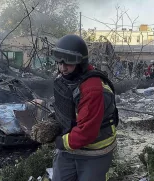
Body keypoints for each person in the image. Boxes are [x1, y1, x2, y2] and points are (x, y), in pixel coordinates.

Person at [49, 34, 119, 181]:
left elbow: (87, 132)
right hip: (71, 146)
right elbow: (65, 106)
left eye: (68, 63)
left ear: (80, 62)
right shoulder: (65, 78)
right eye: (59, 62)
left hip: (95, 150)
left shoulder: (92, 88)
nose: (62, 68)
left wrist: (60, 141)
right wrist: (53, 122)